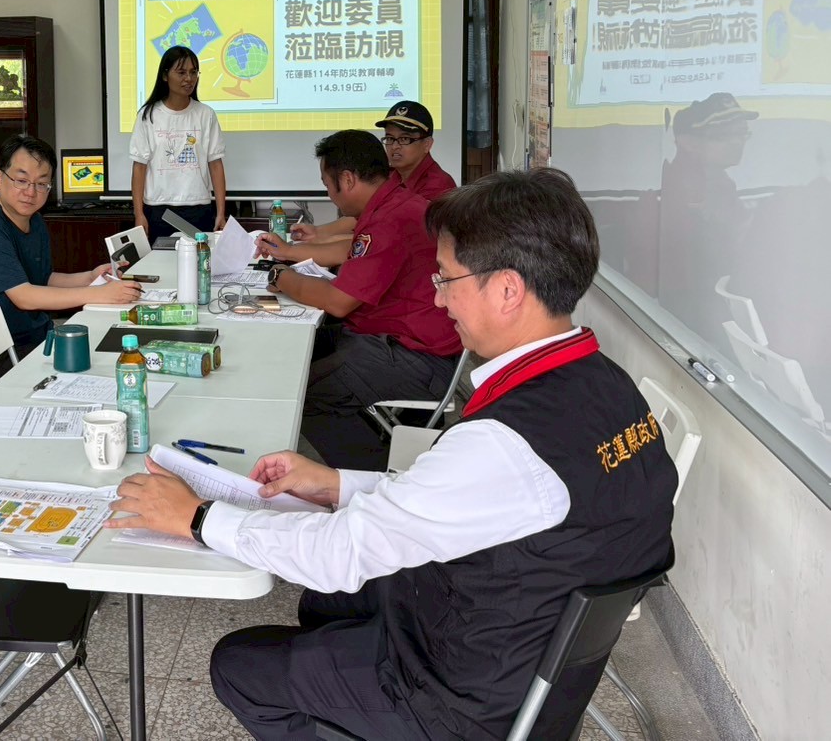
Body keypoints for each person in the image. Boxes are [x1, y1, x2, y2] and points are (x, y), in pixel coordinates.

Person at [108, 168, 677, 741]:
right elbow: (473, 500)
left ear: (507, 289)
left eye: (446, 278)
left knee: (241, 664)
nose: (437, 296)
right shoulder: (607, 386)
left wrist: (197, 518)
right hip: (523, 649)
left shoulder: (505, 443)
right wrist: (337, 485)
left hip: (460, 700)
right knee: (327, 605)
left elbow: (341, 552)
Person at [263, 131, 461, 467]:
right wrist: (292, 256)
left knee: (305, 395)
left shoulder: (391, 219)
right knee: (298, 350)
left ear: (347, 180)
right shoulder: (394, 204)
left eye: (328, 185)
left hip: (418, 359)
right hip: (394, 339)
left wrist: (281, 277)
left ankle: (376, 483)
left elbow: (339, 301)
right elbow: (355, 252)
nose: (329, 195)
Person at [0, 134, 142, 391]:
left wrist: (90, 276)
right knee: (96, 372)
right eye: (21, 180)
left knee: (112, 353)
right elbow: (25, 297)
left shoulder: (34, 221)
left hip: (31, 337)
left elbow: (44, 278)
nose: (31, 192)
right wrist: (100, 294)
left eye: (41, 184)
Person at [257, 101, 452, 265]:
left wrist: (315, 242)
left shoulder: (438, 186)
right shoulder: (391, 174)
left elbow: (377, 240)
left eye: (405, 139)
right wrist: (319, 232)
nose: (395, 147)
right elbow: (365, 216)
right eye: (390, 138)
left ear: (427, 144)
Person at [657, 92, 756, 343]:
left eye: (741, 132)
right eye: (724, 133)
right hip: (699, 321)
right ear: (687, 142)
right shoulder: (690, 188)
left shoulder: (718, 183)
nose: (737, 141)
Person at [131, 46, 227, 241]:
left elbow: (216, 165)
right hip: (158, 210)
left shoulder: (206, 114)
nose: (189, 79)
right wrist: (139, 214)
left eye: (193, 72)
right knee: (160, 260)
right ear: (165, 76)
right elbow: (139, 167)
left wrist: (221, 213)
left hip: (198, 209)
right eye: (181, 72)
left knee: (200, 259)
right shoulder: (148, 115)